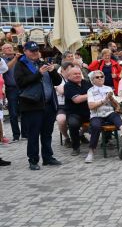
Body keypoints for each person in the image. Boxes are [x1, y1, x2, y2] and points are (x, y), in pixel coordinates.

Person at [14, 41, 62, 170]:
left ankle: (48, 157)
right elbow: (21, 83)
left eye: (36, 51)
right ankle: (33, 160)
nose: (35, 53)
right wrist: (38, 74)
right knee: (33, 134)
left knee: (47, 133)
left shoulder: (43, 63)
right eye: (32, 51)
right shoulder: (21, 65)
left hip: (48, 104)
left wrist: (53, 72)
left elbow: (58, 81)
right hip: (32, 106)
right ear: (25, 51)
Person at [85, 70, 122, 163]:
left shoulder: (108, 89)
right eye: (97, 77)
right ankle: (91, 152)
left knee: (114, 115)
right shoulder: (90, 90)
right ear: (92, 80)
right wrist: (104, 100)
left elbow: (114, 105)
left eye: (102, 76)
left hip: (108, 113)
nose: (100, 78)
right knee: (95, 126)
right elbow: (91, 106)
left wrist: (114, 102)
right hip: (96, 115)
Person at [64, 66, 92, 156]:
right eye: (75, 74)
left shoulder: (86, 83)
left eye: (79, 73)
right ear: (69, 76)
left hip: (89, 111)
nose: (78, 75)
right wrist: (90, 94)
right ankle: (76, 147)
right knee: (73, 124)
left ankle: (107, 140)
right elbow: (77, 100)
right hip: (74, 113)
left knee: (105, 117)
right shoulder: (68, 86)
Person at [1, 43, 24, 141]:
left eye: (10, 47)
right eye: (6, 48)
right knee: (13, 113)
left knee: (24, 111)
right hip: (11, 89)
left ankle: (25, 134)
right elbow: (5, 69)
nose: (9, 49)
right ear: (3, 51)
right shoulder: (2, 61)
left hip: (22, 87)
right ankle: (16, 135)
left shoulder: (20, 58)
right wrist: (15, 59)